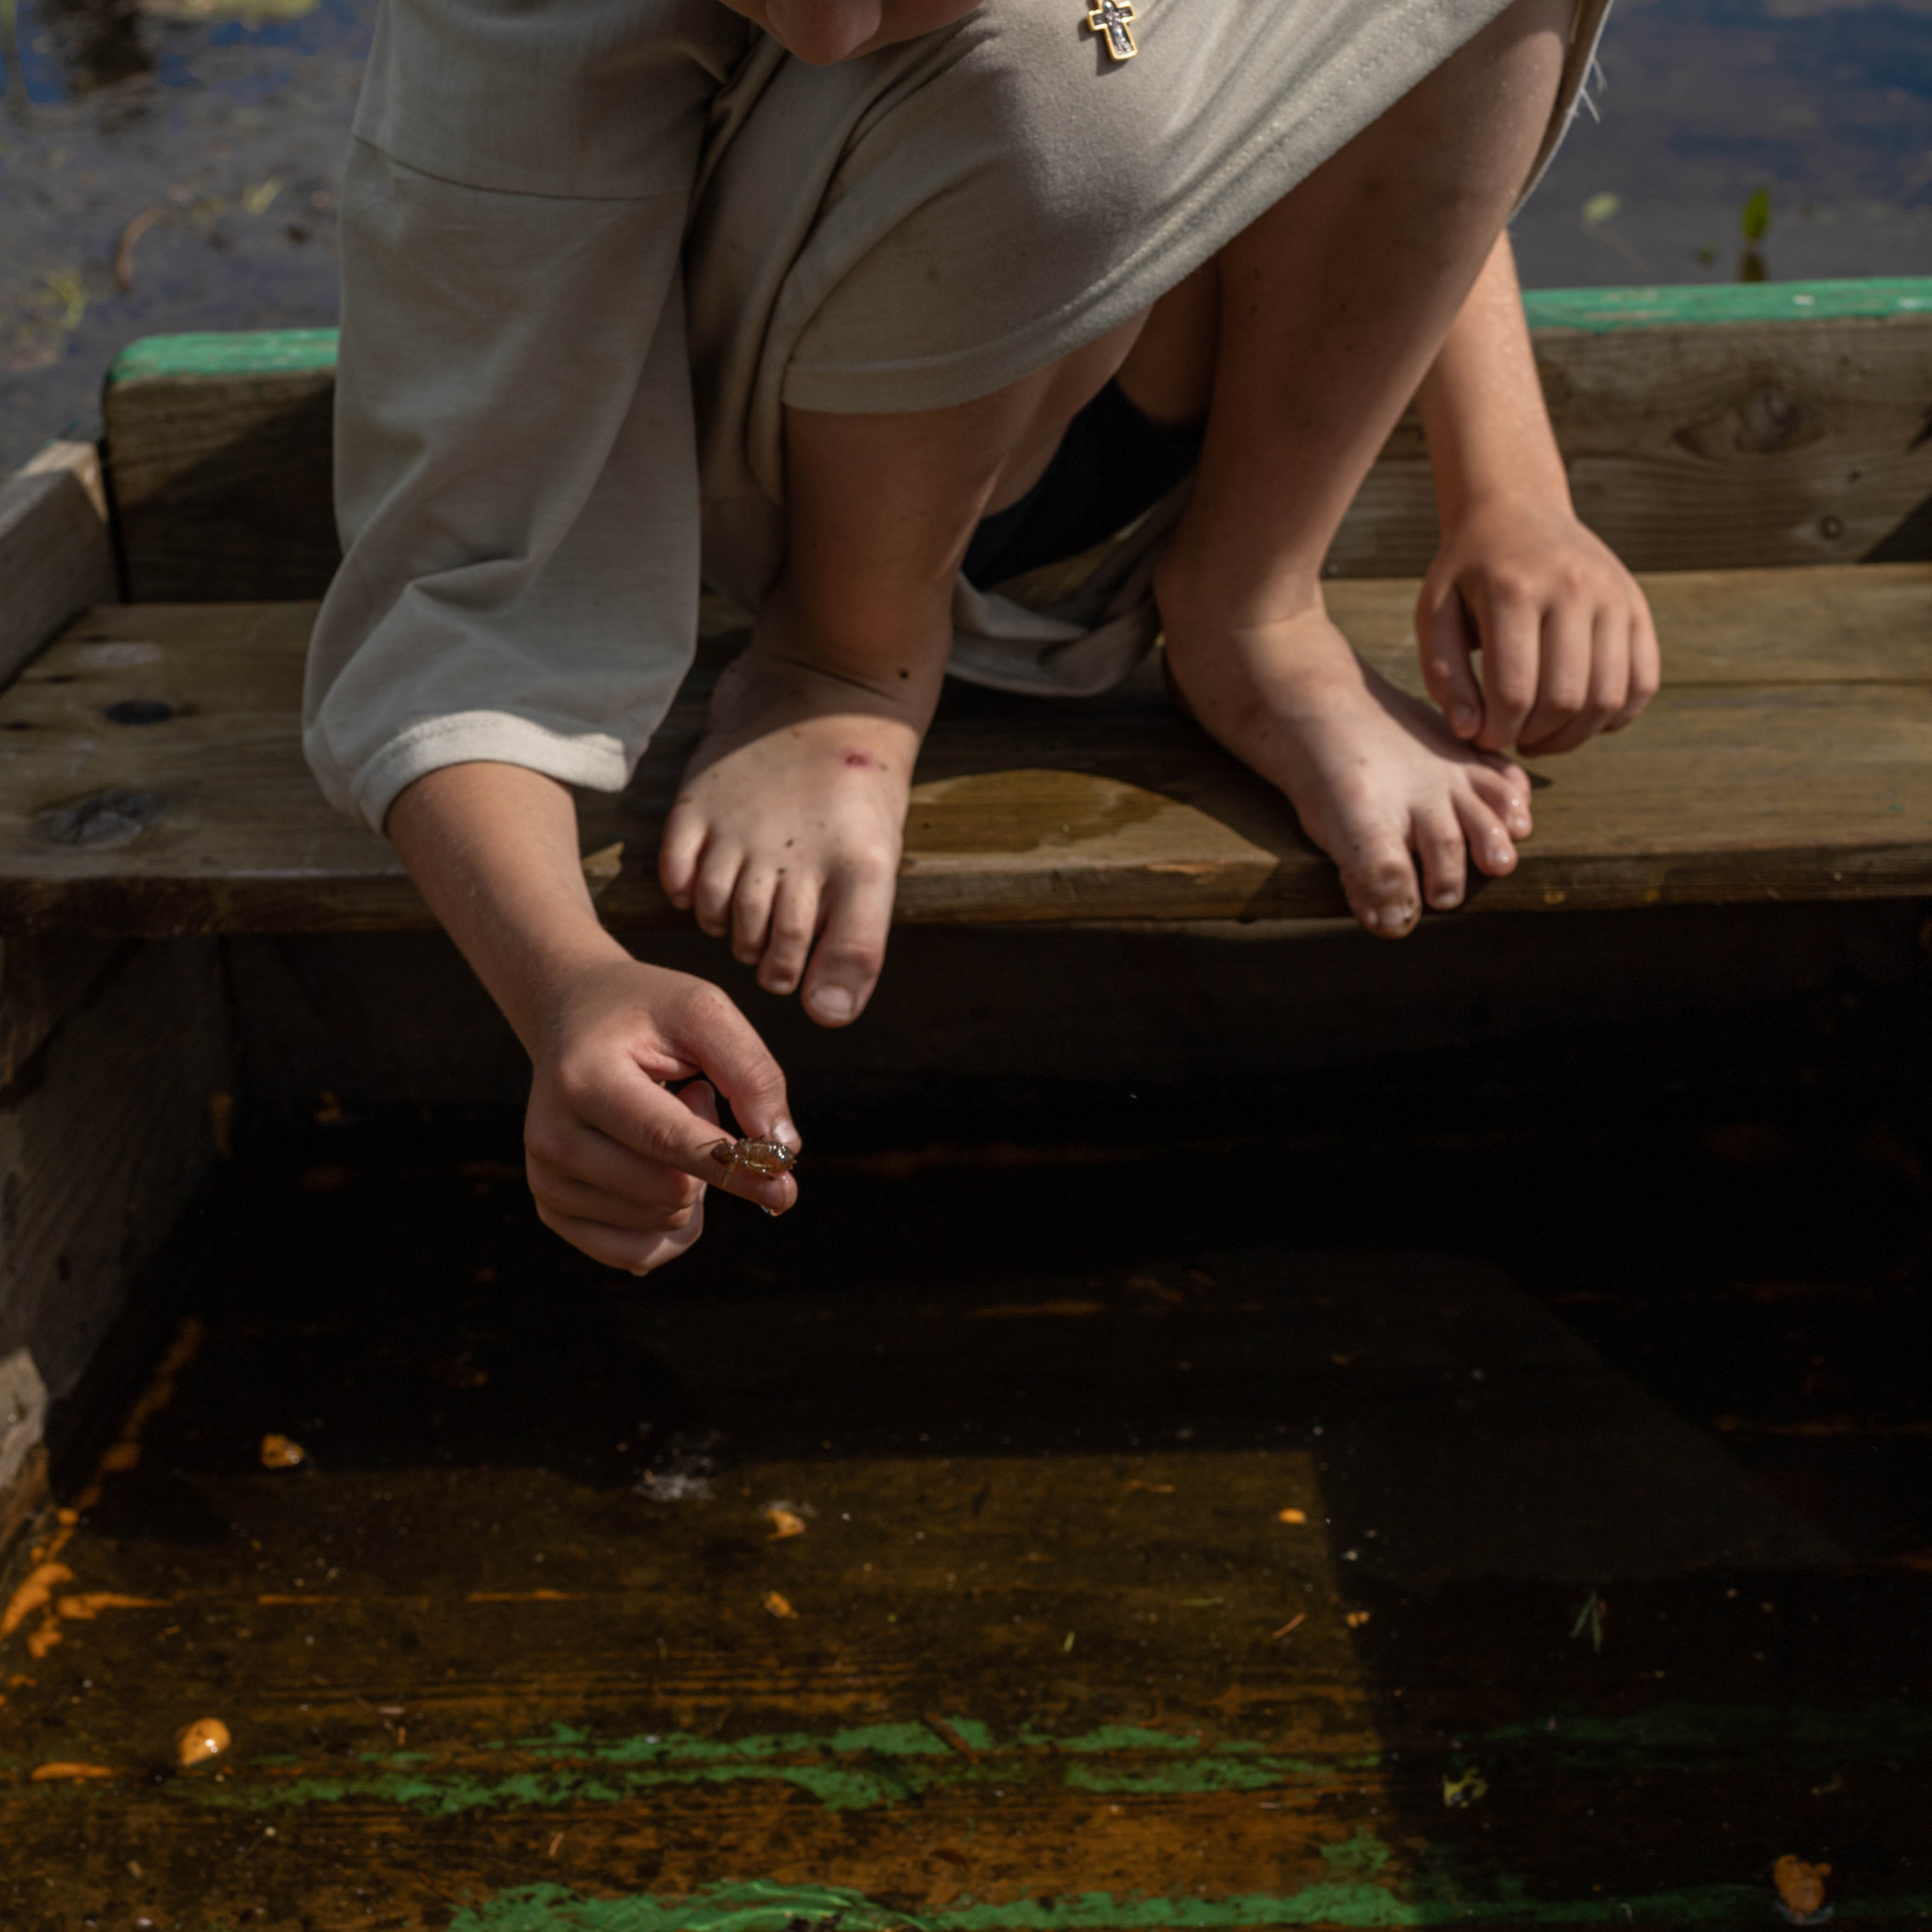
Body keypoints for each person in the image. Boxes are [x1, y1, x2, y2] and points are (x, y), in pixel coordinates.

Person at [304, 0, 1653, 1276]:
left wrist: (1512, 491)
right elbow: (461, 586)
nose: (825, 28)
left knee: (1086, 44)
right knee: (1056, 67)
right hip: (822, 394)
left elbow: (1361, 41)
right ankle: (848, 648)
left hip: (1182, 357)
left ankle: (1252, 601)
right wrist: (565, 980)